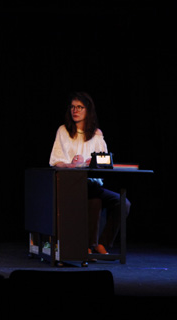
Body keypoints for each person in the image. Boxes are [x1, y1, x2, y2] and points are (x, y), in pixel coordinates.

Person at [49, 91, 130, 256]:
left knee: (123, 203)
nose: (75, 110)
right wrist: (72, 164)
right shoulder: (63, 131)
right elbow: (55, 161)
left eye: (80, 107)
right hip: (71, 184)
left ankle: (102, 243)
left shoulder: (96, 134)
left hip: (91, 183)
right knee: (94, 198)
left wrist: (92, 162)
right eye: (73, 107)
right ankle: (87, 246)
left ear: (88, 110)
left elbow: (105, 161)